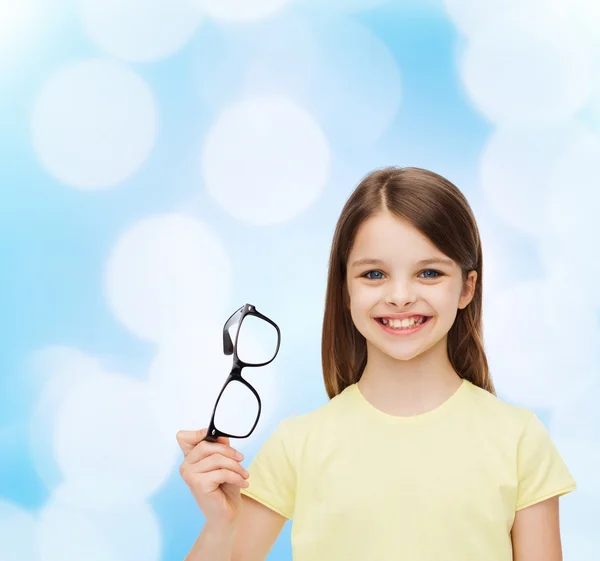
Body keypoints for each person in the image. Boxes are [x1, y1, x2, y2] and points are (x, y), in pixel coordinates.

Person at [176, 167, 577, 561]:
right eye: (374, 274)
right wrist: (219, 525)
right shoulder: (297, 445)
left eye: (429, 273)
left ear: (467, 288)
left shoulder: (519, 440)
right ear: (345, 289)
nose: (400, 296)